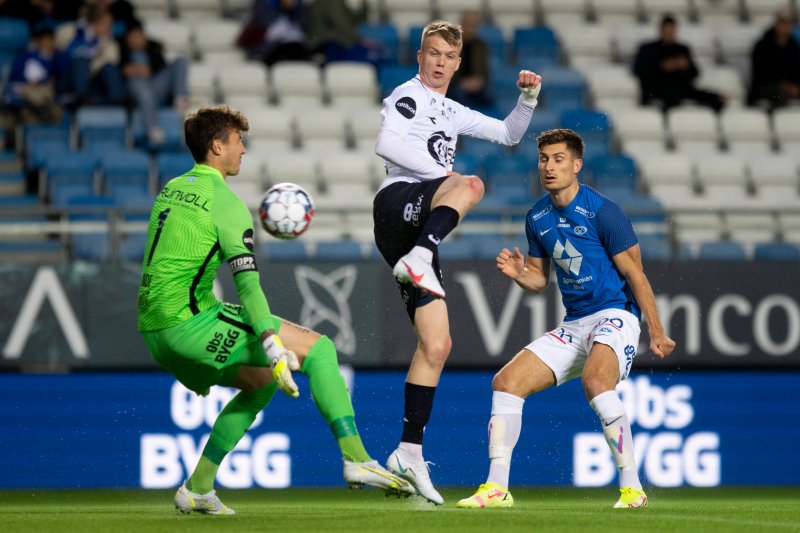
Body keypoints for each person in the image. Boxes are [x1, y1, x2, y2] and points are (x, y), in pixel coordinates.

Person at [137, 105, 414, 515]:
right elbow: (247, 285)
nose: (243, 150)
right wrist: (270, 344)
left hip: (153, 330)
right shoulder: (225, 205)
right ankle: (357, 458)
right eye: (237, 141)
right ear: (217, 146)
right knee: (319, 350)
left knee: (261, 382)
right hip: (189, 324)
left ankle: (197, 487)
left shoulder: (170, 189)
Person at [456, 128, 676, 510]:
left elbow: (636, 274)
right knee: (506, 382)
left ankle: (632, 488)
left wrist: (656, 331)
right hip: (575, 323)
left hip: (615, 313)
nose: (549, 166)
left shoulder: (604, 211)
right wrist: (519, 274)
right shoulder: (536, 216)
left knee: (595, 381)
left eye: (558, 159)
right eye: (543, 159)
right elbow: (539, 281)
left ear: (577, 165)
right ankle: (496, 488)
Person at [372, 19, 542, 505]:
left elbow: (510, 134)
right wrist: (443, 174)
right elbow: (386, 145)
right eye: (433, 53)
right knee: (471, 184)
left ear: (458, 63)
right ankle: (423, 254)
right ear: (420, 56)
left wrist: (527, 100)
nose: (440, 62)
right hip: (397, 202)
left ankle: (408, 452)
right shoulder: (408, 94)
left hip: (417, 220)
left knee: (438, 344)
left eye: (449, 55)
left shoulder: (452, 109)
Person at [632, 14, 724, 112]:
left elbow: (695, 73)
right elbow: (638, 70)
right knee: (670, 95)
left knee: (716, 98)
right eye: (666, 29)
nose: (669, 32)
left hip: (681, 89)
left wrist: (685, 66)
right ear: (661, 29)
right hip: (657, 90)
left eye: (671, 29)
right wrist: (662, 67)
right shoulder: (648, 49)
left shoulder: (682, 49)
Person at [119, 20, 189, 145]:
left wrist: (139, 69)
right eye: (133, 36)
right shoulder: (121, 49)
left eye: (139, 35)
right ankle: (152, 128)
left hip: (154, 85)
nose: (136, 39)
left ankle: (180, 99)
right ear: (127, 38)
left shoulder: (154, 47)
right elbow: (121, 70)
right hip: (134, 88)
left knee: (181, 61)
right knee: (142, 88)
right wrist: (139, 70)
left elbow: (160, 68)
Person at [4, 22, 66, 124]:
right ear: (38, 41)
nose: (47, 44)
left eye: (50, 40)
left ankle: (32, 114)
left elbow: (59, 75)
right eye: (45, 40)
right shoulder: (26, 56)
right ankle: (39, 113)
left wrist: (51, 57)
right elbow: (16, 76)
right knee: (36, 96)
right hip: (25, 87)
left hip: (45, 89)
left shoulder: (57, 57)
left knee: (45, 94)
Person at [748, 10, 800, 109]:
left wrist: (794, 85)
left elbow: (795, 69)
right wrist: (784, 84)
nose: (786, 27)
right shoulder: (763, 45)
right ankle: (775, 119)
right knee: (781, 93)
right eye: (783, 23)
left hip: (787, 85)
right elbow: (760, 73)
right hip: (765, 86)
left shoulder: (792, 46)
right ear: (776, 24)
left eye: (789, 23)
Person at [448, 10, 493, 110]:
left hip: (476, 87)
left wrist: (479, 81)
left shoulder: (481, 46)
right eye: (467, 24)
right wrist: (462, 83)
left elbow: (485, 73)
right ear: (461, 25)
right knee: (459, 99)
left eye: (473, 25)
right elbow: (445, 72)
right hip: (455, 86)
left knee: (488, 99)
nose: (469, 28)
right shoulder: (451, 45)